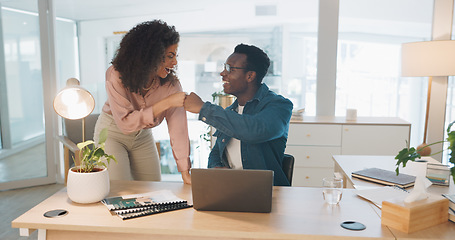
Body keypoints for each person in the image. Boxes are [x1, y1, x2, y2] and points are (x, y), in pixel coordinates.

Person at [94, 20, 191, 184]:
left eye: (175, 56)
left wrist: (184, 170)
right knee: (120, 189)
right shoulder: (116, 75)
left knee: (153, 188)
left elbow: (178, 128)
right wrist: (166, 103)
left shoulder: (171, 85)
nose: (174, 62)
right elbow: (125, 124)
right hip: (113, 133)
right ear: (150, 55)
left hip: (143, 136)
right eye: (169, 56)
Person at [184, 44, 293, 186]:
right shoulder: (230, 112)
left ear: (250, 76)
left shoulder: (279, 106)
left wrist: (203, 108)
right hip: (233, 189)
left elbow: (254, 130)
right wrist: (216, 167)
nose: (222, 73)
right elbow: (216, 151)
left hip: (266, 193)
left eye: (230, 68)